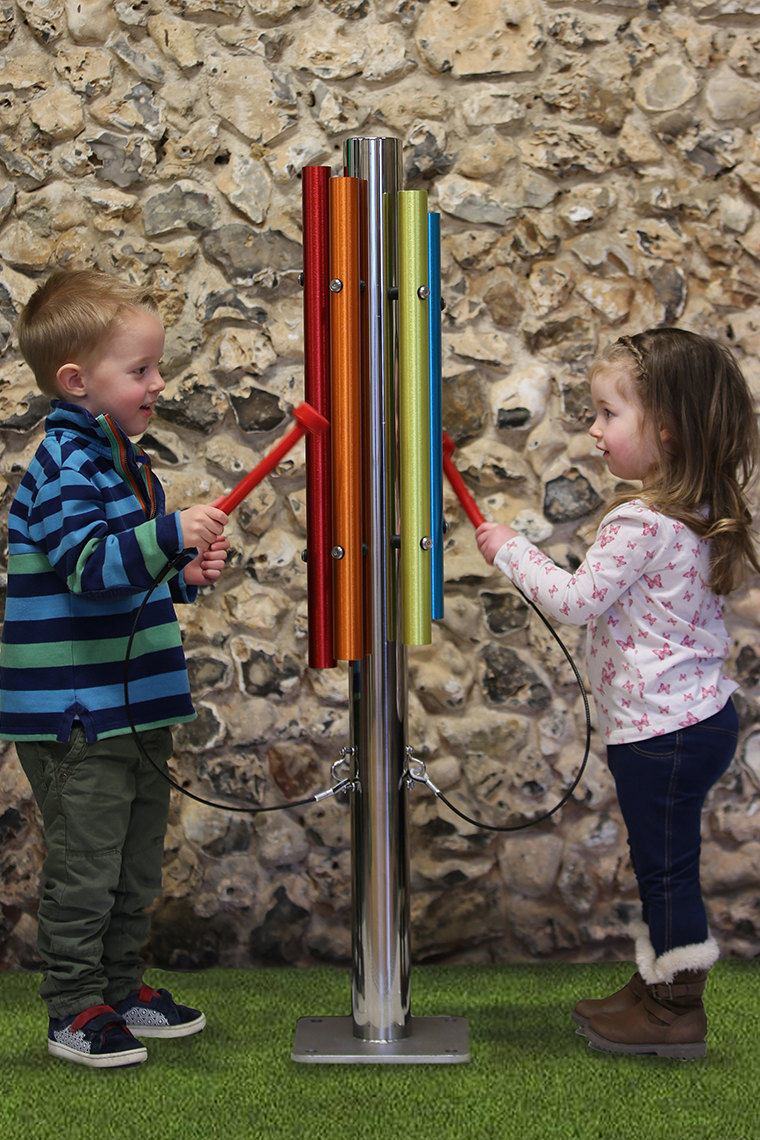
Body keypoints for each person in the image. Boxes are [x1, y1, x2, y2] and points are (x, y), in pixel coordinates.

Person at [476, 328, 759, 1059]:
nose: (595, 432)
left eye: (608, 415)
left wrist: (510, 547)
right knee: (661, 860)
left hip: (662, 732)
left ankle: (674, 1012)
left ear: (664, 428)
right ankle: (655, 980)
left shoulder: (640, 520)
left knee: (665, 869)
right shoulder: (688, 509)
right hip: (694, 722)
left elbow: (575, 600)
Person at [0, 268, 230, 1068]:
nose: (158, 383)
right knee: (87, 865)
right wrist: (170, 536)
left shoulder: (125, 464)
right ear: (76, 382)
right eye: (140, 371)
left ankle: (121, 990)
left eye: (154, 368)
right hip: (79, 709)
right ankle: (73, 1006)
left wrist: (181, 574)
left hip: (133, 704)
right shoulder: (66, 462)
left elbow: (129, 581)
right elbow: (88, 568)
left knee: (135, 862)